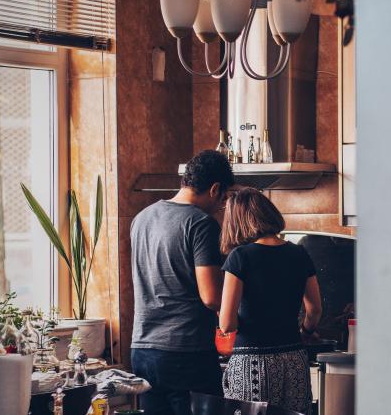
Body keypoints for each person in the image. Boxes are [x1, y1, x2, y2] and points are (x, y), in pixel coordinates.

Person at [130, 150, 234, 415]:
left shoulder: (141, 219)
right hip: (185, 352)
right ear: (214, 189)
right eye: (223, 199)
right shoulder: (201, 224)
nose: (220, 206)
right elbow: (211, 297)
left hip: (142, 350)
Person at [218, 188, 322, 414]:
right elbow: (314, 309)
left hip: (252, 362)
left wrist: (226, 315)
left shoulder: (240, 257)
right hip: (294, 358)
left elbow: (227, 324)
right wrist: (305, 332)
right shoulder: (299, 253)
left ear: (237, 221)